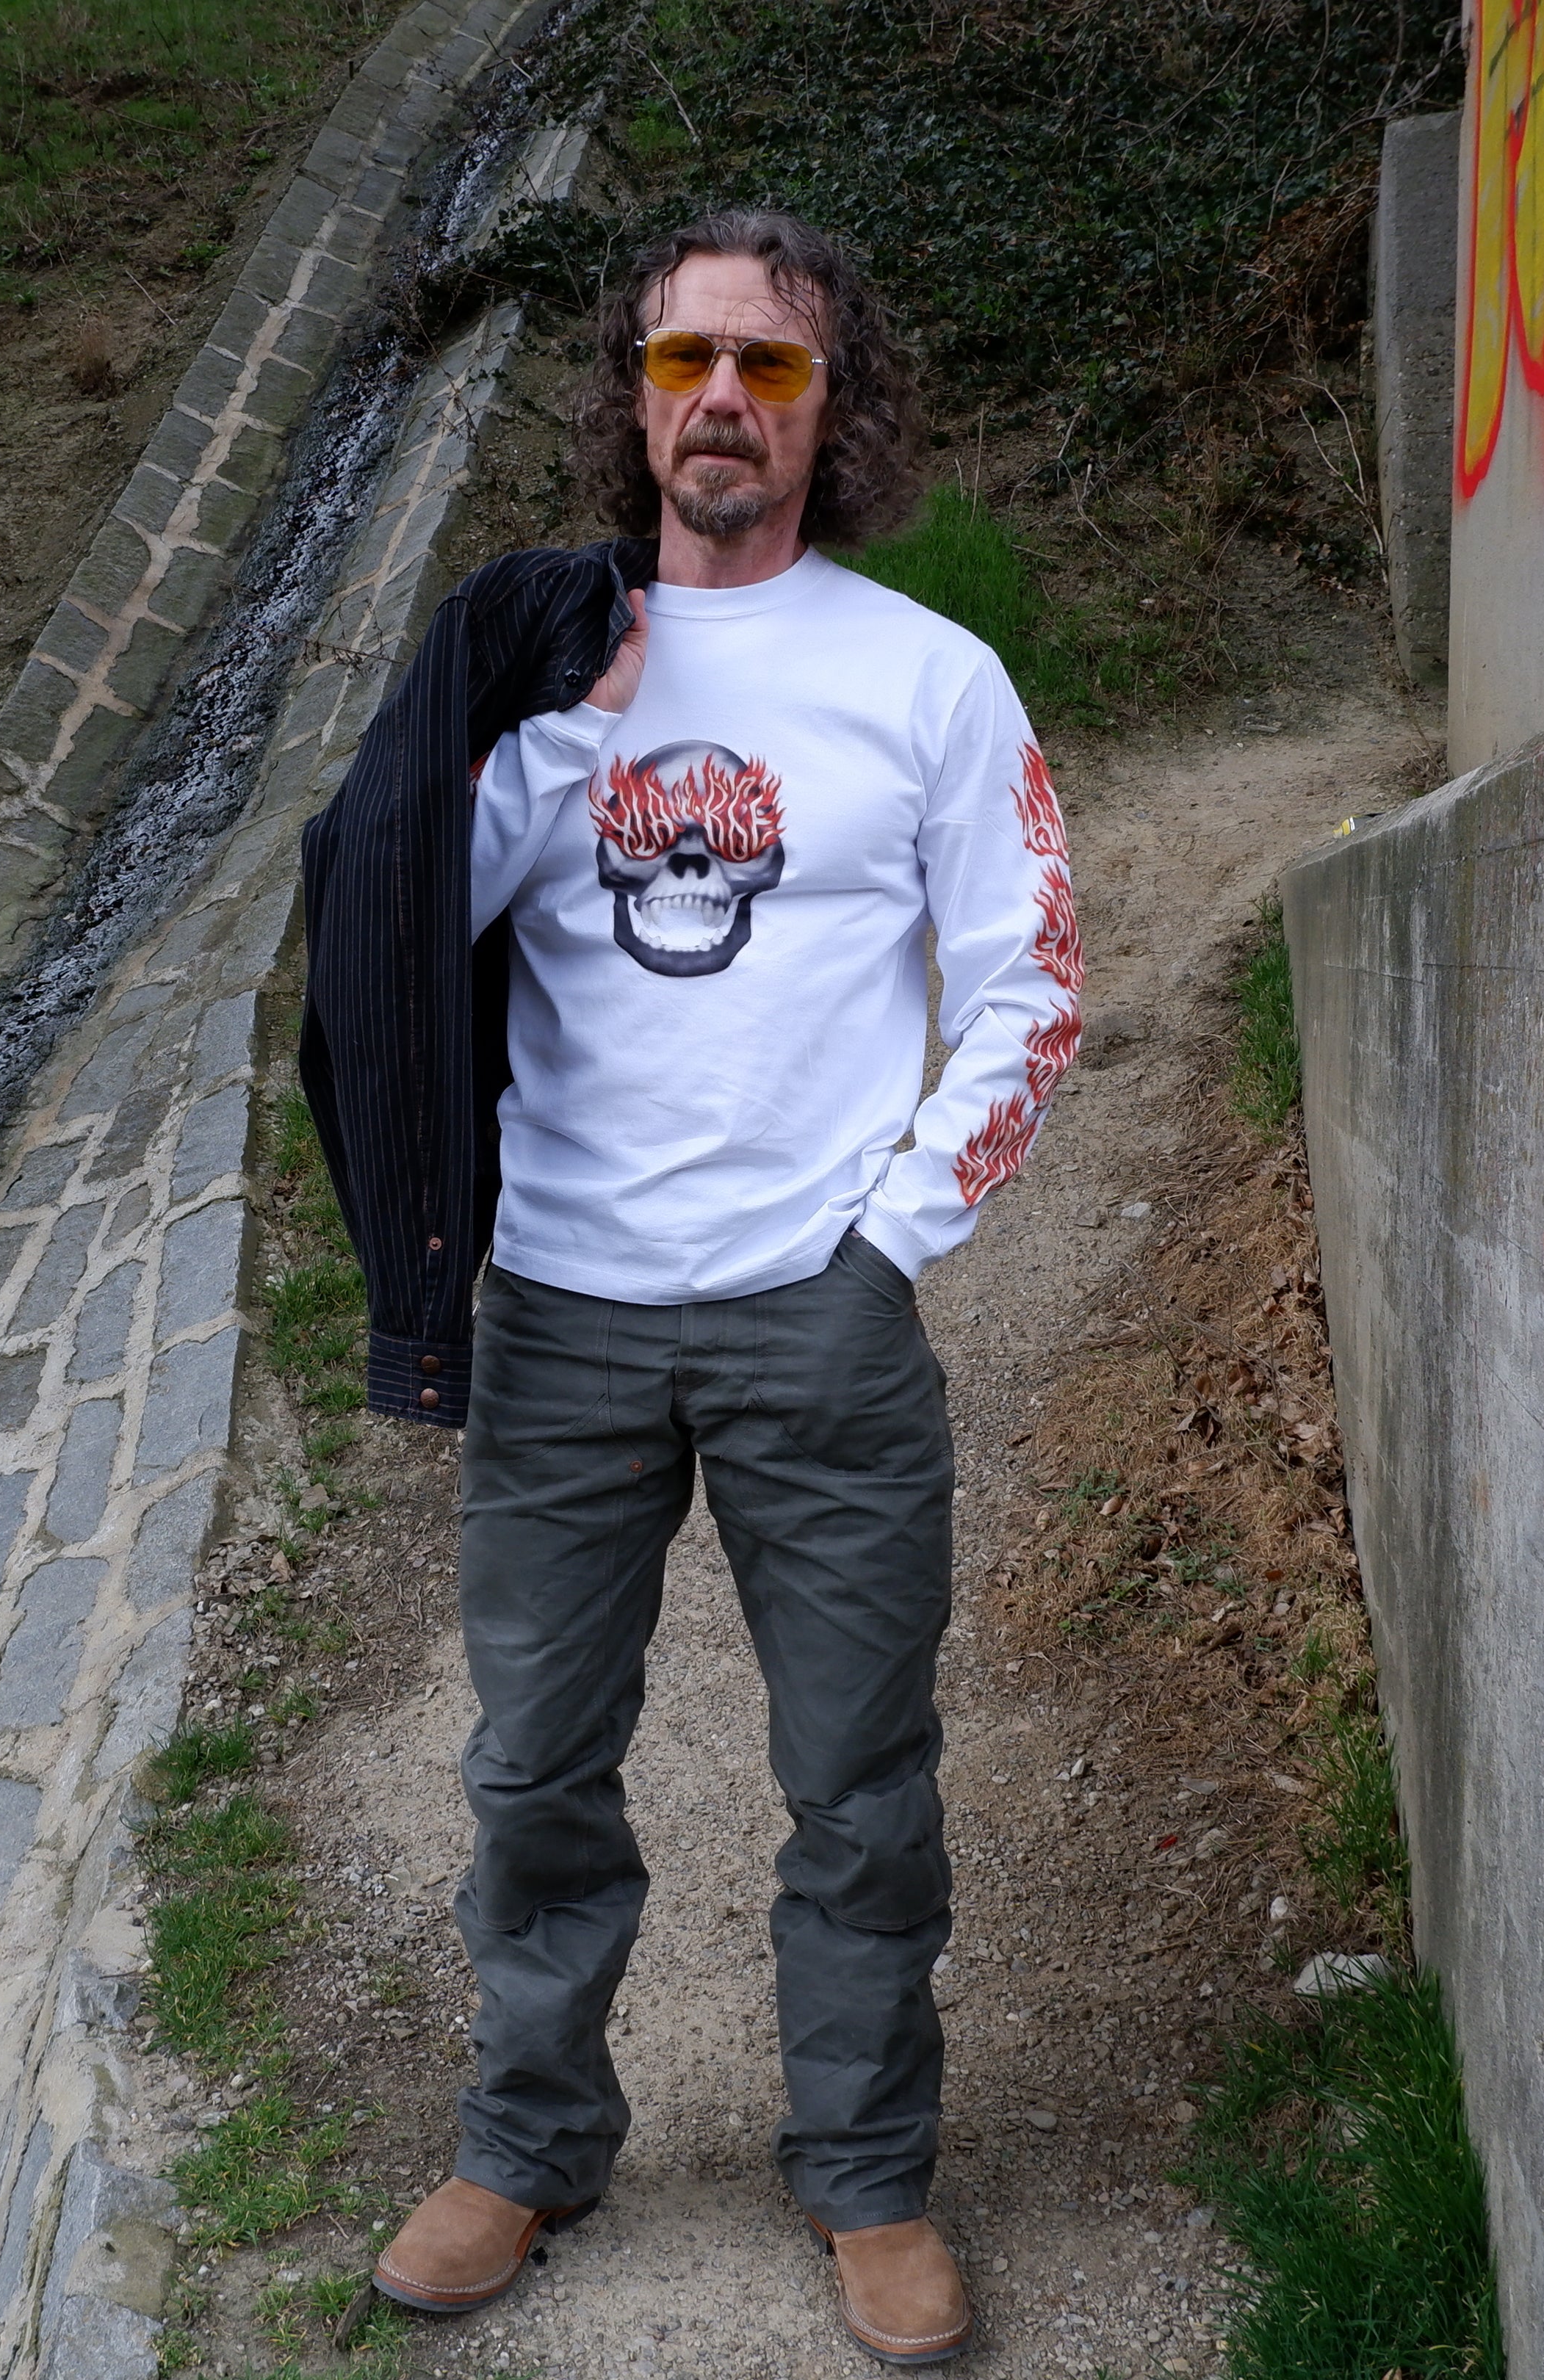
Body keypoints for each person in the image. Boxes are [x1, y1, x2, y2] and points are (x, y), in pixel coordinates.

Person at [294, 207, 1078, 2368]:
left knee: (861, 1781)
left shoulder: (926, 676)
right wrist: (568, 728)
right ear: (632, 397)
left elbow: (1034, 980)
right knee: (535, 1768)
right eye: (682, 359)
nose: (723, 397)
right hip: (559, 1312)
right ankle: (527, 2139)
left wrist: (889, 1241)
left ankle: (870, 2173)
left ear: (835, 405)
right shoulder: (527, 660)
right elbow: (395, 920)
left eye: (771, 363)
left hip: (815, 1315)